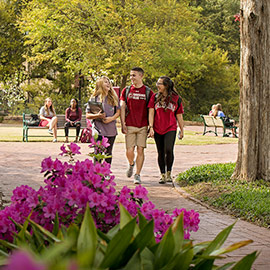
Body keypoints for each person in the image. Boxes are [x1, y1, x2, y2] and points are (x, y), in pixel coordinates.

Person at [120, 67, 154, 184]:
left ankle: (137, 174)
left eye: (134, 75)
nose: (131, 78)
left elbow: (151, 110)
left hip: (143, 126)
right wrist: (122, 122)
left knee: (140, 150)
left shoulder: (148, 92)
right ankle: (131, 163)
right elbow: (122, 107)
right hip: (129, 124)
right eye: (130, 75)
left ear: (141, 76)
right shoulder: (126, 90)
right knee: (129, 150)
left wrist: (151, 126)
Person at [148, 76, 184, 184]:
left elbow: (179, 115)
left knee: (168, 149)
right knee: (160, 151)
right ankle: (162, 174)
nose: (157, 85)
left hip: (170, 127)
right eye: (157, 83)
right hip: (157, 128)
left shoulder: (176, 98)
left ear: (166, 85)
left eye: (160, 84)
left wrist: (182, 130)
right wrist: (151, 127)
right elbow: (151, 112)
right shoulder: (154, 97)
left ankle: (169, 173)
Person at [86, 76, 120, 164]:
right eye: (105, 82)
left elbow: (118, 112)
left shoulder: (113, 98)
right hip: (99, 130)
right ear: (100, 84)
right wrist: (98, 115)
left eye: (108, 81)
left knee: (108, 154)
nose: (108, 83)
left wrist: (111, 119)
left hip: (111, 130)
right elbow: (87, 115)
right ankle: (97, 174)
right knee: (98, 154)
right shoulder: (93, 99)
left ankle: (106, 173)